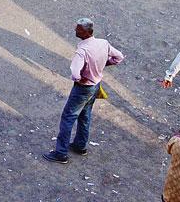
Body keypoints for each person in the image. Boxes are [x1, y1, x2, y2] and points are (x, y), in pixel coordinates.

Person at [43, 18, 124, 163]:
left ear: (86, 32)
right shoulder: (103, 43)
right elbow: (118, 57)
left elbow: (75, 72)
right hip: (96, 85)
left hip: (83, 88)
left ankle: (61, 153)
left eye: (78, 29)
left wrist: (79, 79)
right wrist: (105, 64)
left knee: (68, 118)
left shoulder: (82, 51)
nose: (75, 30)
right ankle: (81, 146)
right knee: (85, 116)